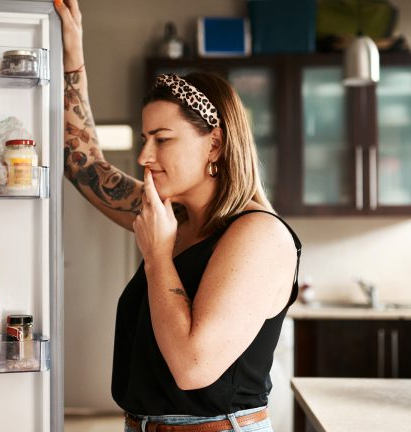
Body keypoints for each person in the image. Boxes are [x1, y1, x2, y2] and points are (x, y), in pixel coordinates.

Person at [55, 1, 302, 431]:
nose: (143, 155)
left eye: (162, 139)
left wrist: (157, 256)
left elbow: (193, 367)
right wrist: (72, 58)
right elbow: (85, 166)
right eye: (145, 137)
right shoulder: (175, 218)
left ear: (215, 145)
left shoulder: (259, 235)